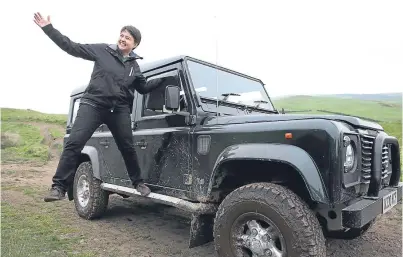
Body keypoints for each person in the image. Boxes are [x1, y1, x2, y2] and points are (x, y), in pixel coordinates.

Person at [33, 12, 159, 201]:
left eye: (128, 37)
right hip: (93, 104)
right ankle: (58, 187)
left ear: (135, 44)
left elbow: (143, 88)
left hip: (118, 110)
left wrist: (163, 81)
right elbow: (72, 47)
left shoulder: (134, 66)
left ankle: (138, 183)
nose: (123, 39)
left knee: (127, 147)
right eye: (122, 35)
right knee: (74, 143)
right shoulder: (102, 50)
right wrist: (48, 29)